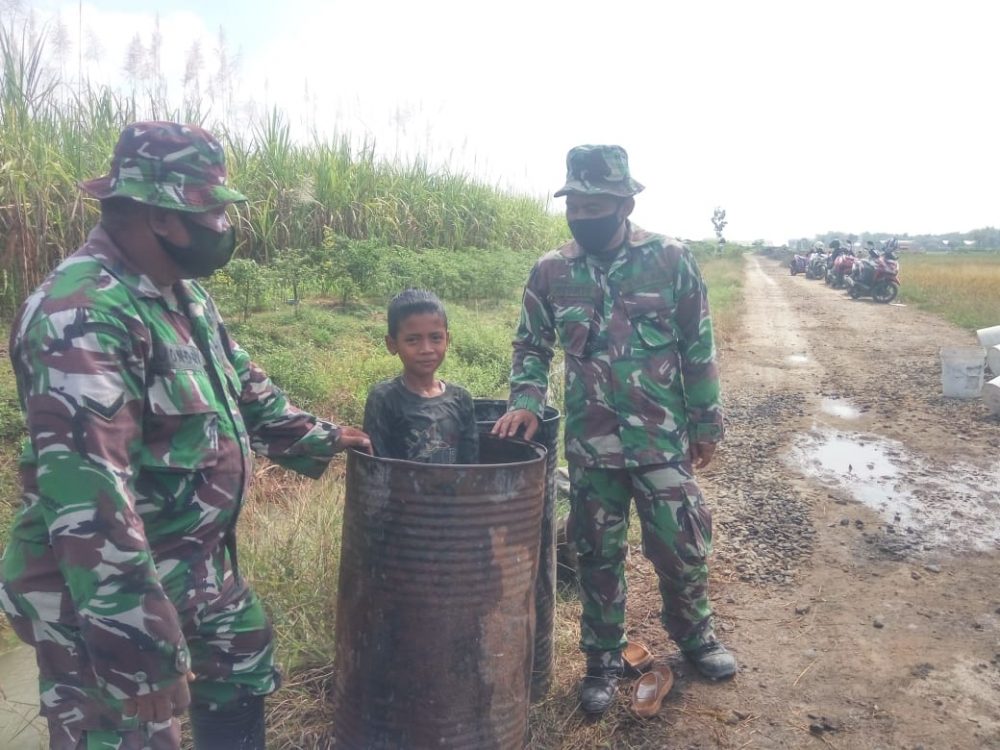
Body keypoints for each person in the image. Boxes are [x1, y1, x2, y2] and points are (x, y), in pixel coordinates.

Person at [0, 121, 371, 750]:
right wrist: (137, 644)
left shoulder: (182, 297)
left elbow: (250, 394)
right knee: (134, 732)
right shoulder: (84, 313)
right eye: (216, 213)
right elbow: (89, 502)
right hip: (106, 591)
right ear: (164, 217)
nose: (224, 227)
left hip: (194, 565)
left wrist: (330, 436)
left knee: (240, 659)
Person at [492, 144, 734, 715]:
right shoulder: (552, 270)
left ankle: (695, 636)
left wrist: (706, 423)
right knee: (596, 554)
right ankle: (602, 660)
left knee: (682, 546)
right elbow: (531, 344)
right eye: (574, 203)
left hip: (661, 438)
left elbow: (698, 345)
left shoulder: (672, 260)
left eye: (595, 203)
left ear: (625, 202)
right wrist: (527, 397)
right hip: (591, 443)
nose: (583, 213)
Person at [363, 289, 479, 464]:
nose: (426, 349)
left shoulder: (461, 399)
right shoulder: (384, 399)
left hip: (454, 491)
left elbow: (471, 465)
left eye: (435, 338)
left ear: (447, 339)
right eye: (412, 340)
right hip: (400, 491)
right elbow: (375, 467)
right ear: (392, 344)